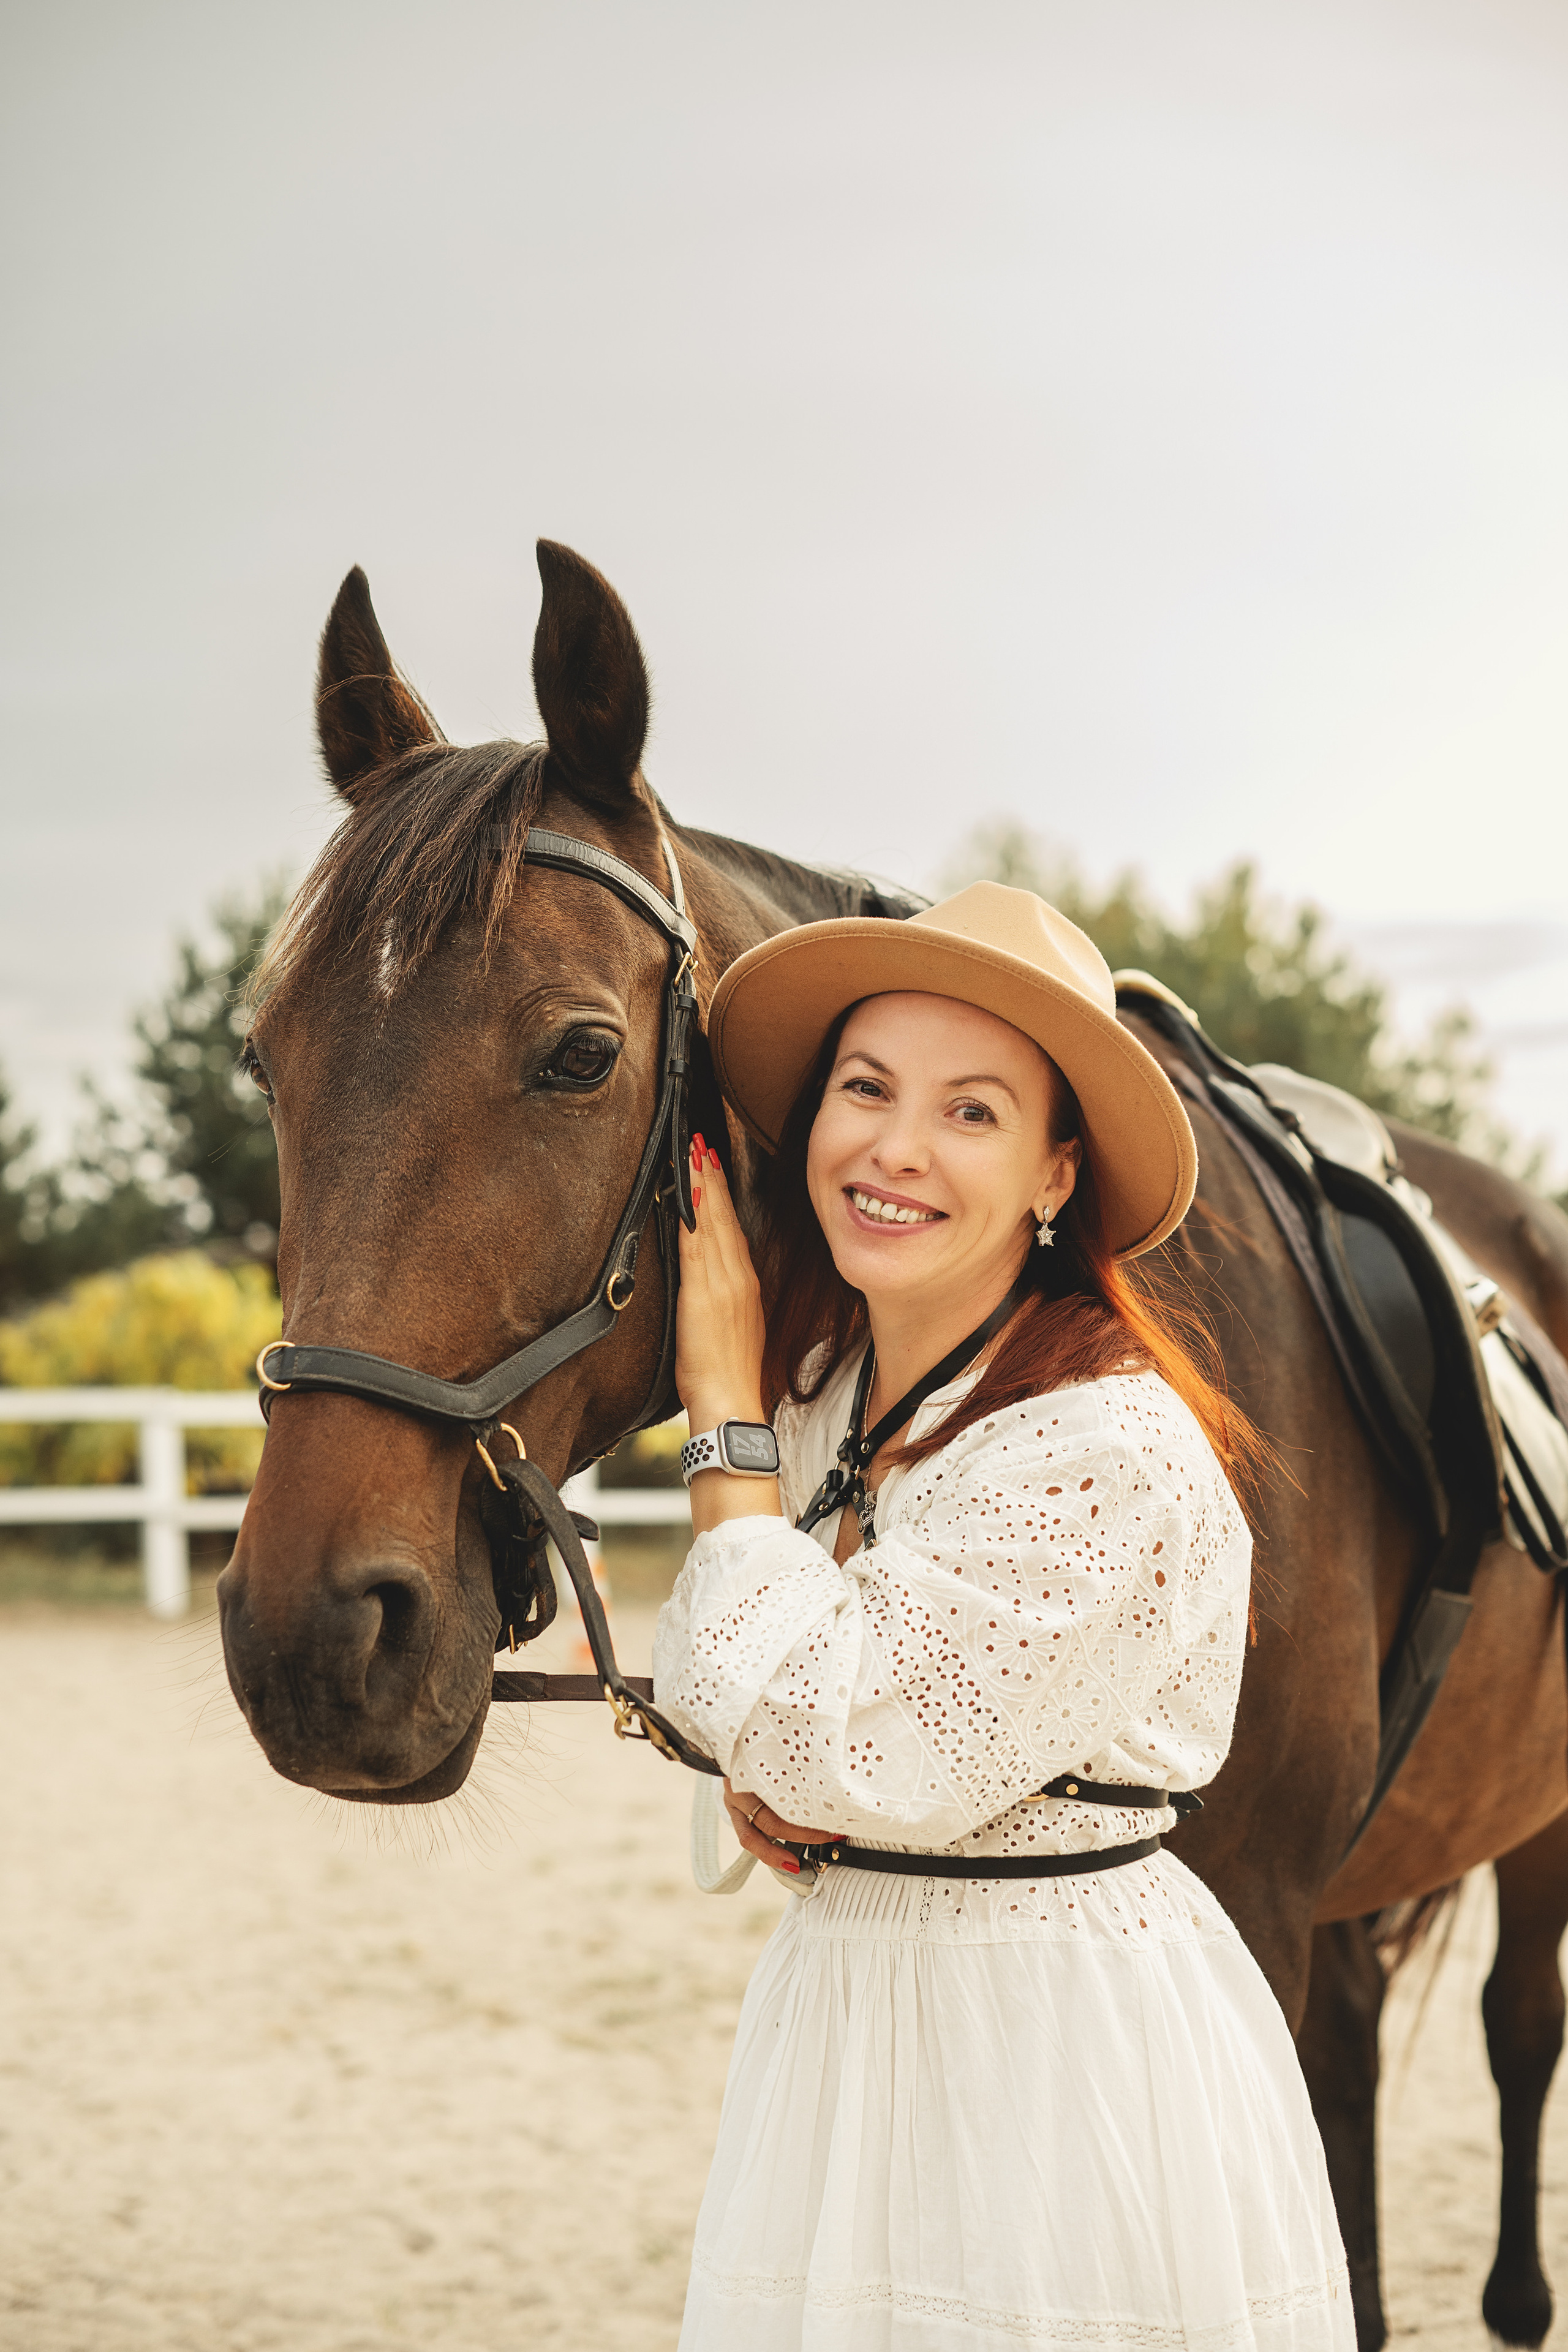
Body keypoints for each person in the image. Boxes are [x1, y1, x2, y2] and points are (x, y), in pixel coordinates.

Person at [653, 881, 1352, 2350]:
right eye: (865, 1088)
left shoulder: (1103, 1449)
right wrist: (759, 1779)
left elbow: (824, 1730)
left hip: (1048, 2042)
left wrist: (717, 1407)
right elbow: (762, 1706)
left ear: (1052, 1176)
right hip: (851, 2012)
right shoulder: (833, 1400)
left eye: (969, 1112)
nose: (895, 1147)